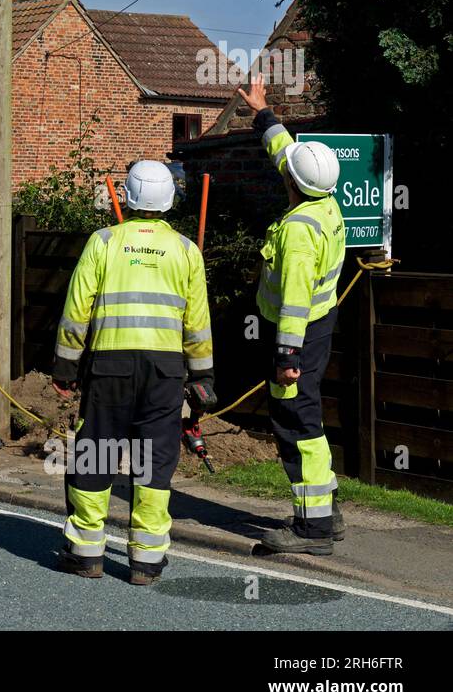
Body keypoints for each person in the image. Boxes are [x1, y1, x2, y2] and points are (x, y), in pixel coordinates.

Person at [52, 161, 214, 586]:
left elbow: (76, 312)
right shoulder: (185, 250)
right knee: (154, 459)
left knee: (98, 452)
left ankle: (86, 554)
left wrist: (66, 367)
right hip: (165, 372)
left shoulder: (103, 241)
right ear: (169, 200)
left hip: (109, 367)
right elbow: (198, 323)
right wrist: (202, 376)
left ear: (127, 196)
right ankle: (145, 562)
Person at [237, 74, 347, 554]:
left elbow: (295, 299)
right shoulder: (326, 203)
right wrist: (264, 114)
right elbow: (287, 156)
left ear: (291, 184)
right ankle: (327, 512)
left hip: (298, 333)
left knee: (296, 416)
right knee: (304, 411)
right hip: (318, 326)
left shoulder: (299, 230)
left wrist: (286, 354)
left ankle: (314, 528)